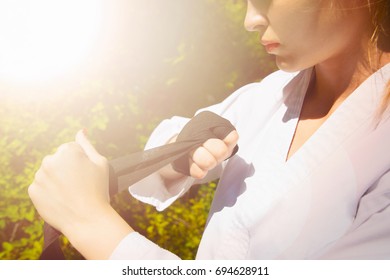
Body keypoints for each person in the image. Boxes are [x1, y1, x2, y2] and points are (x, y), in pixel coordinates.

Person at [29, 0, 390, 259]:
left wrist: (88, 221)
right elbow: (169, 140)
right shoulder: (269, 94)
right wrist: (179, 155)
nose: (251, 19)